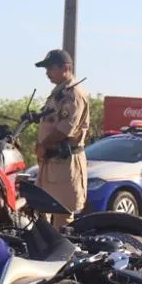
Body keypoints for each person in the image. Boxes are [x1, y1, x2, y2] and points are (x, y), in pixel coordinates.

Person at [34, 49, 90, 230]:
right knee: (42, 212)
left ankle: (64, 257)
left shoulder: (73, 94)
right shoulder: (58, 93)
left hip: (65, 164)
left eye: (50, 68)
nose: (47, 73)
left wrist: (44, 144)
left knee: (63, 218)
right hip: (51, 164)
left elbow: (66, 129)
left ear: (65, 68)